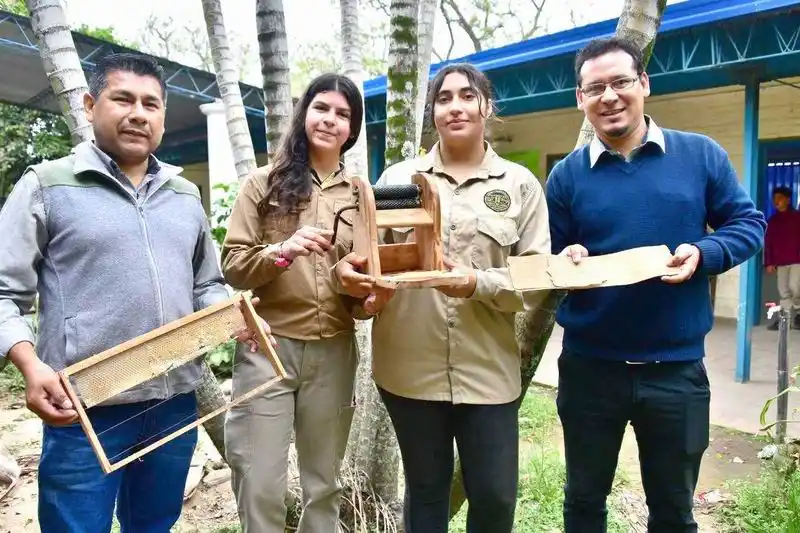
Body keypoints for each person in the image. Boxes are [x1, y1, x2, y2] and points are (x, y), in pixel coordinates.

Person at [0, 53, 271, 532]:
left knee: (154, 525)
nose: (138, 113)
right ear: (89, 105)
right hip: (83, 410)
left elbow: (205, 284)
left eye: (151, 103)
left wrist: (235, 316)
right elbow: (3, 291)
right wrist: (28, 363)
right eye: (122, 98)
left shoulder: (184, 195)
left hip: (173, 404)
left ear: (163, 116)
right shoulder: (46, 186)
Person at [546, 37, 766, 532]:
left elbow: (747, 223)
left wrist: (705, 252)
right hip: (590, 370)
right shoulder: (566, 177)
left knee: (673, 510)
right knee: (583, 501)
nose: (609, 96)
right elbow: (549, 256)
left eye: (621, 82)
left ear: (644, 84)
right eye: (595, 87)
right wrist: (565, 261)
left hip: (676, 372)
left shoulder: (700, 155)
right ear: (580, 99)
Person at [334, 63, 551, 533]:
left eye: (466, 95)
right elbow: (371, 259)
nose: (455, 106)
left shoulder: (518, 185)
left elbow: (534, 281)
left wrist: (476, 282)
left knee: (494, 497)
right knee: (426, 492)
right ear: (432, 111)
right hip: (410, 370)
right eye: (444, 98)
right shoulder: (398, 177)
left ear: (486, 106)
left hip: (488, 370)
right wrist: (362, 288)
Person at [220, 73, 366, 533]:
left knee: (324, 482)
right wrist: (282, 251)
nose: (330, 120)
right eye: (322, 108)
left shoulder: (363, 195)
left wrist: (369, 295)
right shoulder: (262, 184)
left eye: (343, 114)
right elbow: (233, 265)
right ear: (304, 113)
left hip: (335, 350)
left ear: (353, 128)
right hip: (269, 350)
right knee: (259, 477)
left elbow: (365, 282)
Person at [764, 186, 800, 330]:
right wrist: (769, 262)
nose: (776, 202)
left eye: (780, 198)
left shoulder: (797, 217)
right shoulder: (773, 221)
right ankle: (784, 318)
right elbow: (769, 243)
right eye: (774, 199)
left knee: (795, 287)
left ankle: (798, 314)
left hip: (797, 260)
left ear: (788, 200)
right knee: (783, 290)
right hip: (781, 262)